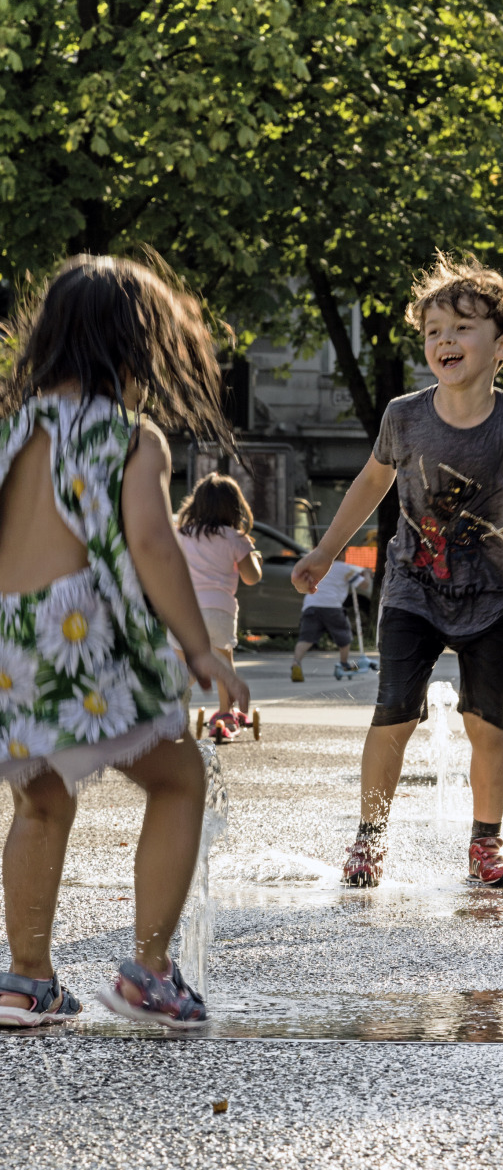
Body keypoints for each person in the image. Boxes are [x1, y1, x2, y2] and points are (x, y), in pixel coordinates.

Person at [0, 254, 248, 1030]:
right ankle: (149, 970)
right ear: (136, 347)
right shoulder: (130, 438)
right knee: (178, 780)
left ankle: (27, 980)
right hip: (79, 643)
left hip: (7, 645)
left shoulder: (12, 429)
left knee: (39, 801)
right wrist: (201, 646)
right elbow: (152, 541)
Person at [292, 253, 503, 887]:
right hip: (412, 593)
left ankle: (486, 845)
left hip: (488, 600)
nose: (444, 340)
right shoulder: (404, 415)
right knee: (393, 713)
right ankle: (368, 842)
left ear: (502, 344)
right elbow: (371, 483)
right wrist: (325, 551)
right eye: (433, 331)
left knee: (488, 722)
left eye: (462, 328)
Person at [176, 473, 263, 735]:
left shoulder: (182, 534)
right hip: (219, 610)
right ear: (235, 507)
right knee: (223, 659)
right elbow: (251, 577)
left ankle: (173, 703)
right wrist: (254, 557)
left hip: (184, 610)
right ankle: (226, 713)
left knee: (183, 661)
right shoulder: (235, 538)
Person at [290, 557, 365, 681]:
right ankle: (344, 664)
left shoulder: (315, 564)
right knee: (343, 636)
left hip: (311, 604)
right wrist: (366, 574)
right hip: (332, 606)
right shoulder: (345, 568)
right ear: (342, 552)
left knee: (306, 638)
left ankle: (296, 663)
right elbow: (364, 584)